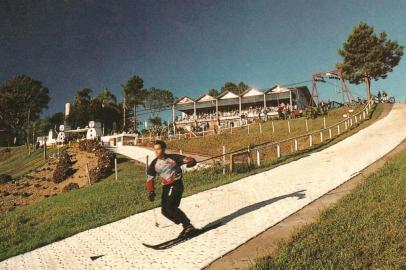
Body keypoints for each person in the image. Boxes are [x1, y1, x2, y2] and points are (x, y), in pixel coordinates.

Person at [146, 140, 197, 237]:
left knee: (170, 207)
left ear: (164, 149)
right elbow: (149, 179)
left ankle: (188, 225)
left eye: (158, 149)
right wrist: (151, 191)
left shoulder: (173, 158)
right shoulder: (154, 164)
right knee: (164, 211)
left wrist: (192, 162)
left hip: (176, 184)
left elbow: (188, 159)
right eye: (155, 149)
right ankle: (185, 225)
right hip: (166, 187)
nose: (156, 151)